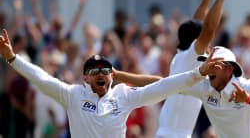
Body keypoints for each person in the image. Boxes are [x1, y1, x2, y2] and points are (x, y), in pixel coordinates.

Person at [0, 28, 220, 137]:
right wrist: (12, 58)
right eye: (94, 71)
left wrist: (198, 72)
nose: (100, 74)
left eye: (105, 70)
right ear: (85, 77)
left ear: (112, 75)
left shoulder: (124, 95)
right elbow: (41, 78)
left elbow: (162, 87)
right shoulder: (72, 94)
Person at [115, 46, 250, 138]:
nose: (209, 68)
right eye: (207, 64)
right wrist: (120, 75)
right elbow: (161, 83)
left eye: (215, 65)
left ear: (229, 69)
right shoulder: (203, 87)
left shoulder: (245, 86)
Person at [152, 0, 231, 138]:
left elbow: (197, 22)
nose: (209, 43)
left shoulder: (182, 56)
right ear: (197, 40)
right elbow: (208, 28)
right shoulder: (191, 57)